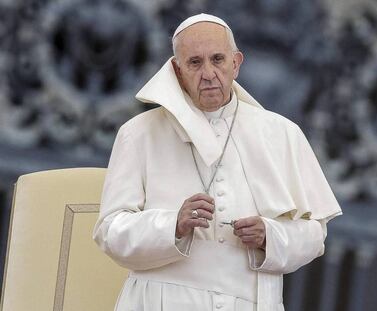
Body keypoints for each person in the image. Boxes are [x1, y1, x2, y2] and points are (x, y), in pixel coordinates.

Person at [93, 13, 342, 311]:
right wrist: (172, 225)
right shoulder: (139, 134)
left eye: (218, 59)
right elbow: (109, 231)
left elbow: (315, 235)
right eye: (195, 62)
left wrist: (270, 236)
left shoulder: (282, 134)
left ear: (236, 63)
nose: (208, 73)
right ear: (177, 69)